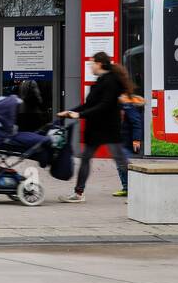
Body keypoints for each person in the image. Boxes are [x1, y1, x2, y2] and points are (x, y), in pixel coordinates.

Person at [56, 52, 131, 203]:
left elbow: (105, 105)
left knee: (120, 160)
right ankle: (78, 193)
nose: (90, 66)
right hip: (96, 128)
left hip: (109, 128)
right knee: (85, 158)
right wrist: (71, 112)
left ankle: (137, 191)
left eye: (92, 63)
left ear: (100, 64)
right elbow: (89, 104)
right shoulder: (99, 81)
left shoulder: (111, 81)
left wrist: (80, 115)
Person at [117, 86, 145, 197]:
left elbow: (136, 123)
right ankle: (127, 187)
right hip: (122, 139)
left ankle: (130, 187)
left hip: (128, 140)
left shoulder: (129, 106)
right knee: (122, 163)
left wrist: (136, 140)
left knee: (122, 164)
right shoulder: (124, 105)